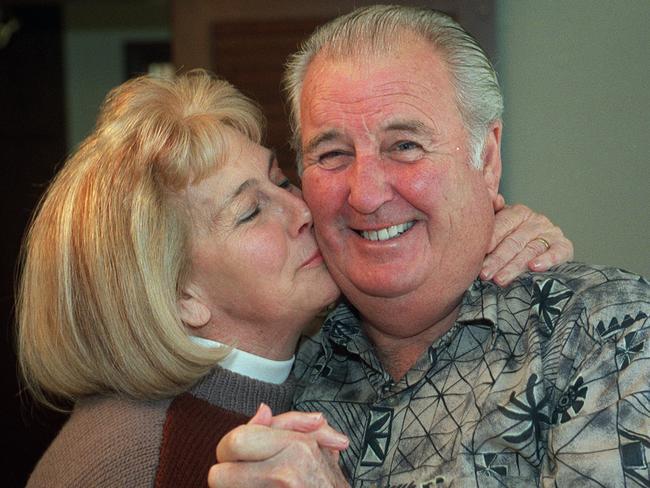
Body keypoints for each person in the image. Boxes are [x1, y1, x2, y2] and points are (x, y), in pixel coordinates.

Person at [17, 69, 568, 486]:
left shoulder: (306, 366)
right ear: (181, 297)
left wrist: (493, 235)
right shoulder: (141, 456)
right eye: (251, 212)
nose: (302, 210)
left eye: (279, 179)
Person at [209, 5, 650, 487]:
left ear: (487, 158)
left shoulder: (604, 334)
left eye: (405, 146)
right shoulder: (291, 363)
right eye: (333, 154)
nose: (367, 194)